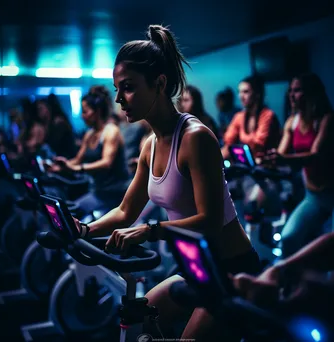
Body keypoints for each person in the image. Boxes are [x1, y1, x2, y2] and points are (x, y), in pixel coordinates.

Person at [73, 24, 260, 341]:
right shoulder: (151, 144)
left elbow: (211, 221)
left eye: (128, 87)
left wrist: (151, 230)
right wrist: (85, 231)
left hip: (230, 269)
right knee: (137, 319)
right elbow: (125, 210)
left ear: (159, 84)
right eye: (117, 88)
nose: (119, 98)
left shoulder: (195, 138)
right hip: (195, 266)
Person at [262, 73, 334, 258]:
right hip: (313, 196)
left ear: (312, 93)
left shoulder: (326, 119)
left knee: (328, 249)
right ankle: (288, 283)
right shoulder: (291, 122)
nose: (292, 95)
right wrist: (269, 160)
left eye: (298, 90)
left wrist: (282, 159)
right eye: (291, 91)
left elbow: (316, 155)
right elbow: (282, 154)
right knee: (288, 238)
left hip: (331, 193)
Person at [47, 86, 129, 213]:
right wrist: (62, 167)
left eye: (85, 111)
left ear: (97, 112)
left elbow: (106, 163)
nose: (82, 116)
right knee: (68, 211)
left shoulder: (111, 131)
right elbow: (78, 160)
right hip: (97, 191)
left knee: (73, 212)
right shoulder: (89, 134)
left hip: (115, 195)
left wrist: (78, 168)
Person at [221, 75, 280, 160]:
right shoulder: (239, 116)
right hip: (247, 163)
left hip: (266, 164)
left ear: (257, 94)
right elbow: (228, 141)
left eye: (245, 92)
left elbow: (258, 146)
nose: (240, 96)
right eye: (239, 92)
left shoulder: (268, 115)